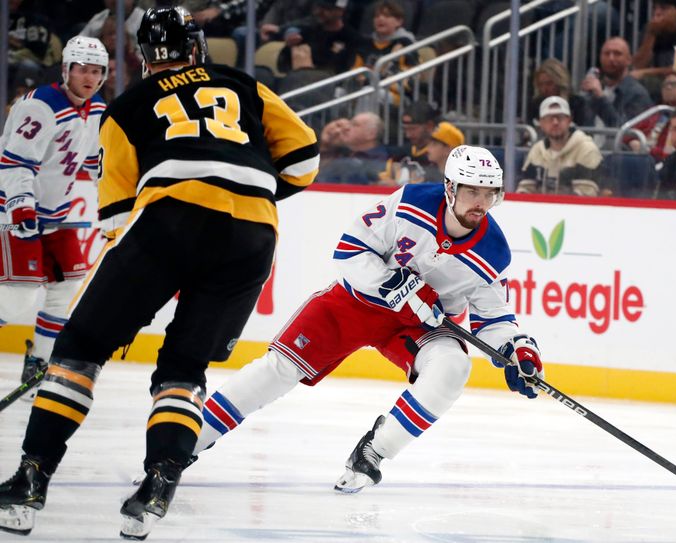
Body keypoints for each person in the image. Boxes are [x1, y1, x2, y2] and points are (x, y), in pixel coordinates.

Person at [0, 6, 319, 540]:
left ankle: (31, 479)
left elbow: (117, 215)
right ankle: (157, 487)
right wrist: (250, 186)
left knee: (79, 347)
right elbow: (305, 159)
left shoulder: (126, 106)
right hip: (254, 234)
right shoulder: (242, 84)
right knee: (184, 368)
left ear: (144, 57)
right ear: (197, 47)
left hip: (169, 219)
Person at [194, 144, 544, 495]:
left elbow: (495, 317)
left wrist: (517, 350)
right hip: (355, 304)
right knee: (277, 370)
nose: (480, 202)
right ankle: (187, 440)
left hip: (417, 328)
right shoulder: (410, 202)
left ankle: (373, 452)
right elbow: (349, 250)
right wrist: (398, 285)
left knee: (452, 367)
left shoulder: (494, 251)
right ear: (450, 187)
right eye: (472, 191)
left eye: (489, 193)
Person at [0, 36, 108, 400]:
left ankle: (39, 365)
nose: (89, 78)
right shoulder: (40, 106)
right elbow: (15, 161)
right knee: (17, 299)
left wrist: (120, 203)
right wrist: (21, 206)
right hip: (14, 212)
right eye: (83, 69)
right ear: (66, 70)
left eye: (97, 71)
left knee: (64, 292)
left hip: (57, 217)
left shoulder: (96, 110)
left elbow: (96, 166)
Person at [518, 96, 604, 196]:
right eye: (550, 118)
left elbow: (586, 193)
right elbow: (524, 190)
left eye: (560, 117)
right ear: (541, 123)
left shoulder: (587, 149)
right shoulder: (537, 150)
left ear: (569, 120)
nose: (555, 122)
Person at [580, 36, 653, 130]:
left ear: (629, 60)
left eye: (617, 54)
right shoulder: (593, 90)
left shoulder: (637, 94)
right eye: (606, 54)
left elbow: (624, 132)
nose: (611, 58)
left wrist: (600, 98)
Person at [629, 70, 676, 162]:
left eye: (673, 84)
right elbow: (629, 135)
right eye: (665, 85)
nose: (668, 87)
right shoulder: (657, 112)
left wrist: (647, 150)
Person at [530, 58, 593, 128]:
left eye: (549, 83)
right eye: (540, 84)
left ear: (559, 82)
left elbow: (586, 131)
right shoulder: (536, 104)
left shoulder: (578, 103)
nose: (544, 89)